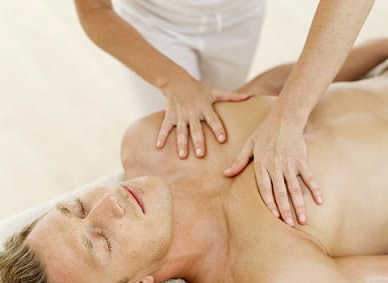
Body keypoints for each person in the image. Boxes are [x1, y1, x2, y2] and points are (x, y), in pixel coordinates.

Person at [0, 39, 388, 283]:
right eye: (101, 239)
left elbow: (265, 94)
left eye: (78, 207)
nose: (108, 204)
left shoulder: (153, 144)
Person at [74, 0, 374, 226]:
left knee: (235, 109)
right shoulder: (143, 146)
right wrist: (171, 80)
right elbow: (94, 10)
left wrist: (290, 115)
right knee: (186, 142)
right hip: (154, 23)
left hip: (239, 15)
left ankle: (378, 48)